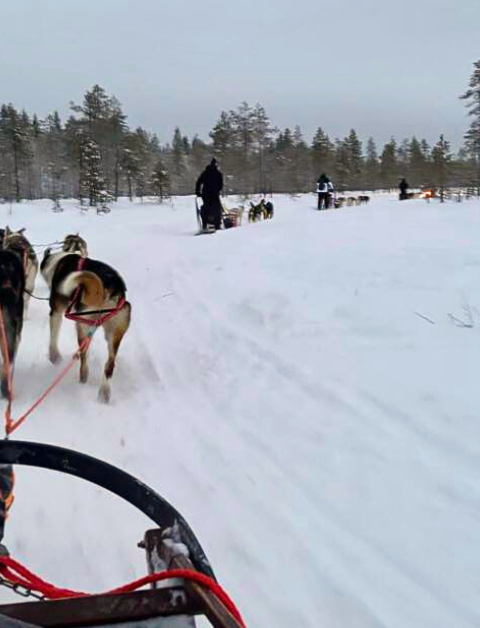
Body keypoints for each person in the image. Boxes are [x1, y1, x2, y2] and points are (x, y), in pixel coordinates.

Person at [195, 159, 224, 230]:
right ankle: (217, 225)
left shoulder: (205, 173)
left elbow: (198, 182)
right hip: (214, 194)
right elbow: (220, 185)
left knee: (206, 208)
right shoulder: (218, 174)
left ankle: (205, 224)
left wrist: (198, 192)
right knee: (216, 209)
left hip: (205, 194)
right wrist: (217, 190)